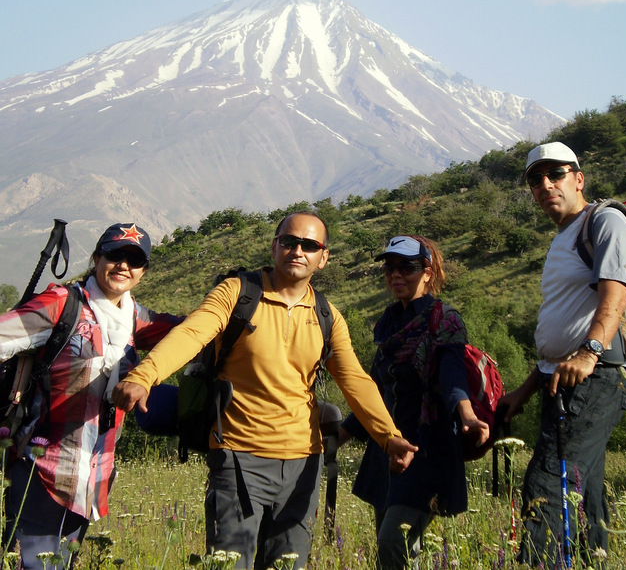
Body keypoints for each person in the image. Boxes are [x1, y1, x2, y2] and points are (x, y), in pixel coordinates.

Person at [112, 211, 418, 570]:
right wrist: (144, 375)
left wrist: (389, 437)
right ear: (274, 246)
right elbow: (192, 333)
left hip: (305, 462)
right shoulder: (237, 293)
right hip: (239, 455)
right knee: (231, 563)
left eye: (309, 245)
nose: (297, 251)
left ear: (324, 257)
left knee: (288, 565)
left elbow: (354, 380)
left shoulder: (327, 315)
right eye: (289, 242)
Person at [0, 223, 181, 570]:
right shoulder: (62, 305)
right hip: (43, 469)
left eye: (135, 259)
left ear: (143, 272)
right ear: (97, 258)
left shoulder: (135, 319)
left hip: (92, 477)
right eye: (115, 255)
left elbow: (187, 333)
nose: (123, 265)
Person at [501, 142, 626, 566]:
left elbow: (615, 294)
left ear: (578, 179)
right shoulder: (565, 236)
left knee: (547, 483)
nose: (545, 185)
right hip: (565, 380)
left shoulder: (605, 221)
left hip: (594, 378)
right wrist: (523, 390)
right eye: (535, 180)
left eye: (555, 174)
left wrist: (591, 351)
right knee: (585, 494)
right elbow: (562, 333)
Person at [338, 235, 489, 570]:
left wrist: (465, 413)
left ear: (427, 271)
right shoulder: (388, 322)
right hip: (387, 446)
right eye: (389, 267)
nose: (396, 274)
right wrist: (338, 435)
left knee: (395, 541)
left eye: (406, 266)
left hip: (426, 448)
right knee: (390, 552)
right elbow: (374, 391)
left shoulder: (444, 319)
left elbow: (452, 374)